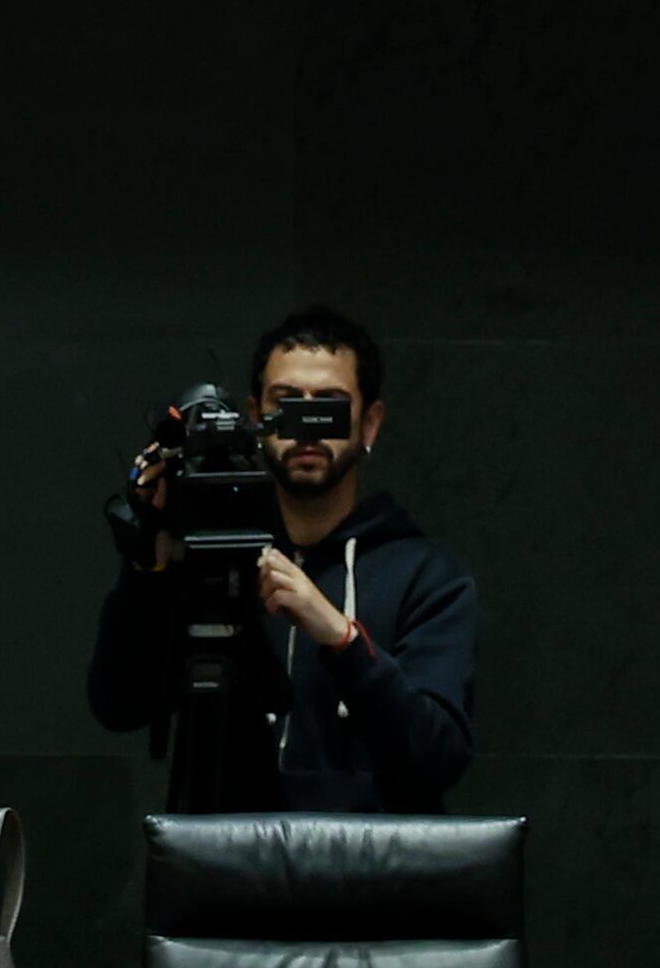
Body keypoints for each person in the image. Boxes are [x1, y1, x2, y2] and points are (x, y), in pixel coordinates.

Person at [87, 301, 479, 812]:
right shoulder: (206, 566)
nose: (308, 428)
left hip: (371, 879)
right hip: (219, 874)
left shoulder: (428, 579)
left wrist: (339, 637)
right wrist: (146, 564)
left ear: (370, 424)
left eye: (329, 406)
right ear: (256, 418)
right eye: (287, 404)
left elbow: (437, 758)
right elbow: (117, 706)